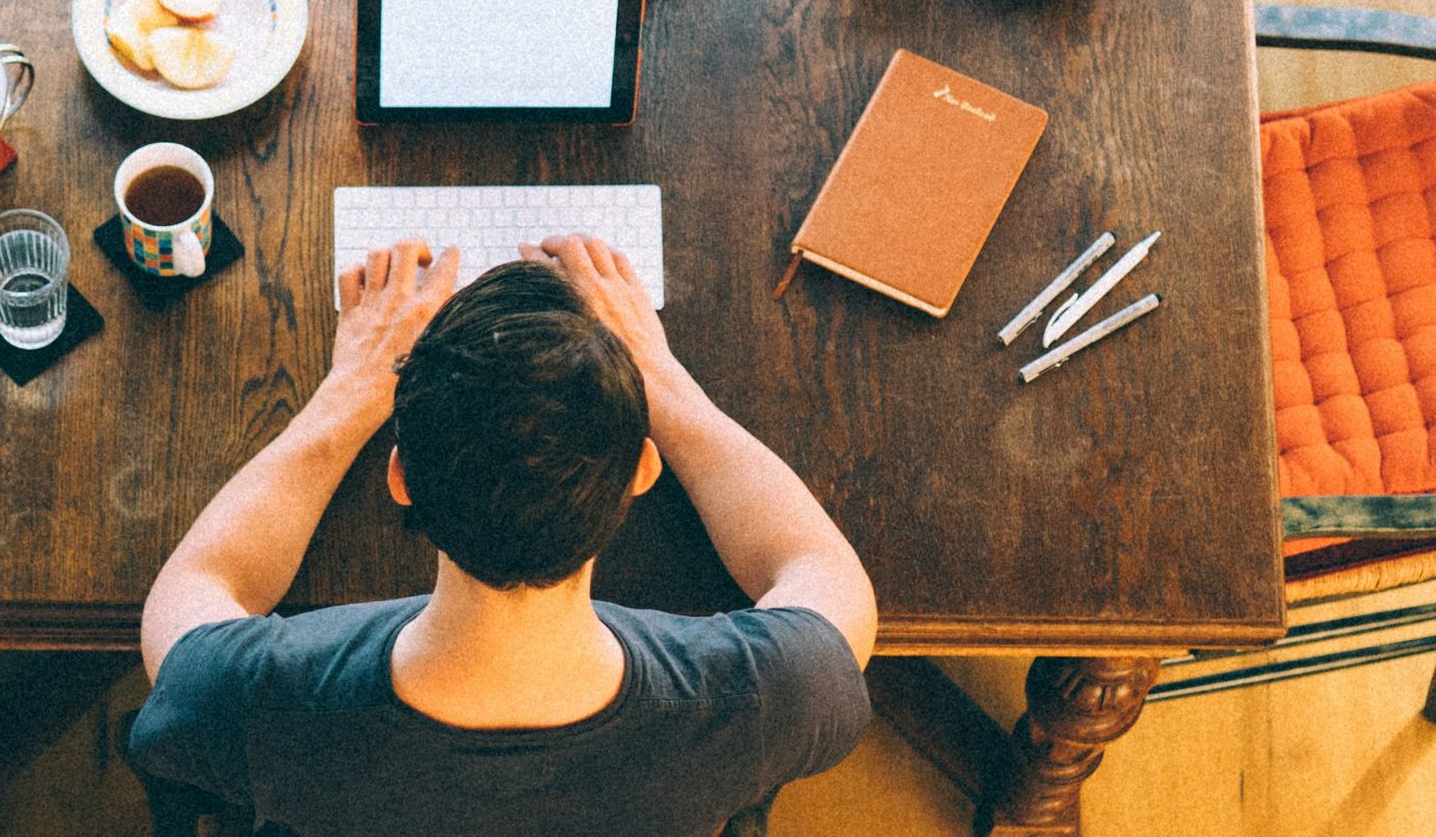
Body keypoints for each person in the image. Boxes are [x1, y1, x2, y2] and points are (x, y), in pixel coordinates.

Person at [131, 235, 878, 837]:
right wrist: (662, 379)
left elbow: (197, 588)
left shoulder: (250, 704)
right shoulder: (768, 699)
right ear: (642, 472)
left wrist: (349, 392)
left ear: (400, 477)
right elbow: (820, 569)